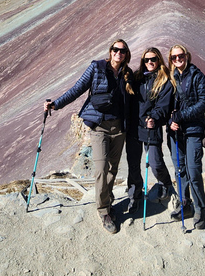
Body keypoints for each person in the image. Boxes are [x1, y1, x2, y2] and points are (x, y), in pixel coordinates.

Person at [44, 39, 134, 234]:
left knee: (112, 169)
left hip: (119, 127)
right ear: (110, 51)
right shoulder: (96, 68)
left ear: (126, 54)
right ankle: (103, 211)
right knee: (101, 168)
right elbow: (77, 89)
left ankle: (107, 202)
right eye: (115, 49)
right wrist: (56, 104)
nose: (119, 53)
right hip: (100, 126)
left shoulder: (127, 74)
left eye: (123, 50)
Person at [167, 44, 205, 229]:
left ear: (187, 56)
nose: (178, 59)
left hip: (193, 130)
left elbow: (204, 103)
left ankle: (201, 208)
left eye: (180, 55)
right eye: (174, 57)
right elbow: (166, 104)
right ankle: (186, 204)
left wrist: (181, 116)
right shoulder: (171, 78)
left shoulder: (197, 76)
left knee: (193, 171)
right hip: (176, 132)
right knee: (180, 170)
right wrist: (170, 120)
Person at [134, 47, 175, 206]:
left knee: (155, 162)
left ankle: (165, 182)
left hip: (152, 126)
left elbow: (163, 105)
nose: (150, 62)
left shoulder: (164, 80)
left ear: (159, 60)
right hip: (136, 126)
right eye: (146, 60)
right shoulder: (138, 78)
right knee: (134, 162)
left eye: (153, 59)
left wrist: (154, 118)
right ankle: (135, 192)